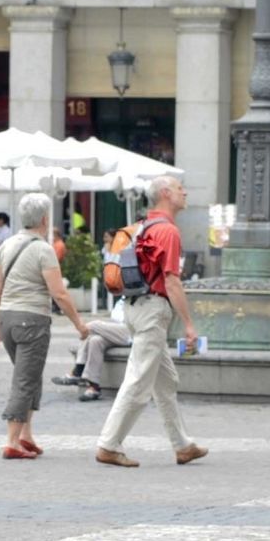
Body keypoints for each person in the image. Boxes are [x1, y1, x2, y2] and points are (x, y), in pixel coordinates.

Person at [95, 176, 208, 468]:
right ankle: (109, 444)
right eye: (180, 188)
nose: (185, 192)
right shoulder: (168, 231)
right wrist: (189, 325)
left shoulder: (144, 225)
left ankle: (182, 445)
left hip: (135, 306)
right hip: (153, 310)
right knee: (138, 379)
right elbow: (172, 281)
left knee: (165, 379)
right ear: (166, 194)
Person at [0, 193, 89, 460]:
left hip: (7, 319)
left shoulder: (6, 246)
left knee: (29, 375)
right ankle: (11, 440)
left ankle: (26, 434)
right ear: (45, 218)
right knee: (24, 380)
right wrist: (79, 323)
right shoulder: (44, 249)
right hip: (32, 320)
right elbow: (60, 294)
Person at [52, 302, 131, 402]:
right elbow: (116, 315)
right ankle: (94, 387)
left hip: (135, 332)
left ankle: (78, 371)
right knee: (95, 341)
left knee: (92, 326)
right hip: (121, 331)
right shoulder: (124, 298)